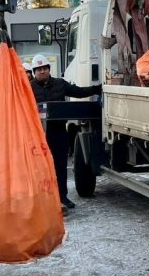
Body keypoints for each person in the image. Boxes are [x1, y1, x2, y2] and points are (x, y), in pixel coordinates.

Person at [30, 54, 101, 211]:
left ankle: (63, 197)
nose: (42, 71)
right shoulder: (28, 87)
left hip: (58, 132)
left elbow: (78, 92)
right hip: (38, 136)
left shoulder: (60, 84)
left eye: (44, 68)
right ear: (34, 72)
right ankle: (42, 199)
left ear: (49, 69)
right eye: (39, 69)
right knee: (39, 168)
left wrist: (96, 89)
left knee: (60, 166)